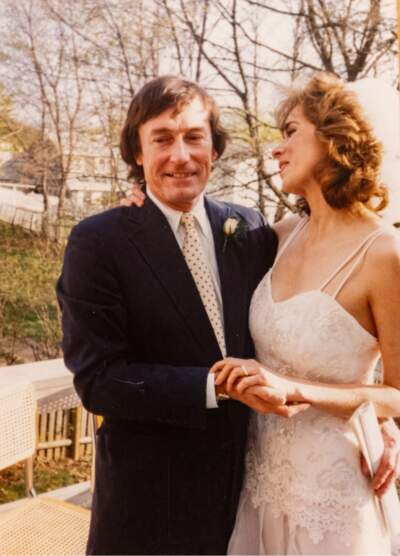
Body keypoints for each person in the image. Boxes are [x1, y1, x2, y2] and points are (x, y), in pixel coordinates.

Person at [56, 75, 286, 555]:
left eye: (194, 137)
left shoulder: (250, 227)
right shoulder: (99, 242)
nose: (180, 155)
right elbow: (98, 380)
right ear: (138, 154)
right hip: (150, 507)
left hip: (250, 494)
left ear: (215, 149)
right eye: (161, 139)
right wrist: (214, 385)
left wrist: (376, 418)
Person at [209, 73, 400, 554]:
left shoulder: (384, 254)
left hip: (334, 501)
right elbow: (195, 235)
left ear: (336, 136)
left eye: (291, 131)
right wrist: (142, 208)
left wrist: (295, 389)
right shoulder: (282, 235)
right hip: (259, 490)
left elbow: (397, 396)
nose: (277, 149)